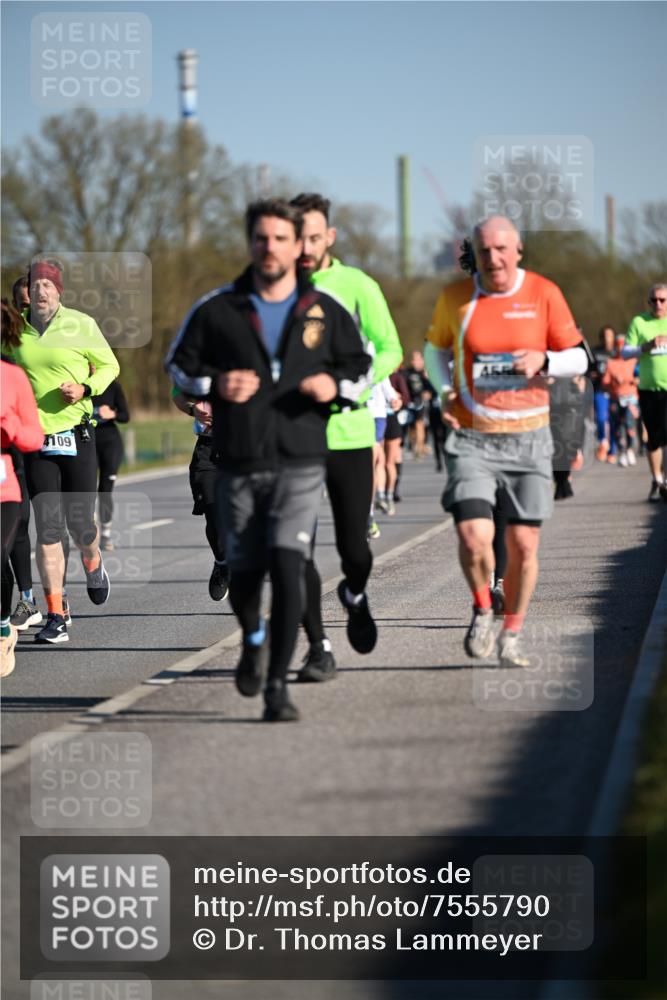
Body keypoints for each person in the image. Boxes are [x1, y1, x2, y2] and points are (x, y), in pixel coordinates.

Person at [165, 198, 371, 720]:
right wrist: (215, 384)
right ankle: (254, 639)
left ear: (297, 244)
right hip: (237, 460)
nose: (271, 247)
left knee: (288, 564)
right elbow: (179, 366)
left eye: (282, 238)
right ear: (250, 242)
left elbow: (363, 367)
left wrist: (336, 385)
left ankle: (277, 686)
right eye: (262, 238)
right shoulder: (218, 308)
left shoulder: (322, 308)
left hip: (300, 461)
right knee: (247, 572)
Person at [424, 217, 588, 666]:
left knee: (523, 547)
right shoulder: (455, 298)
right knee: (474, 535)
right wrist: (443, 389)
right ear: (474, 254)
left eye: (501, 249)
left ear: (517, 250)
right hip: (473, 435)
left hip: (529, 435)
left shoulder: (544, 293)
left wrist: (546, 358)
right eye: (483, 251)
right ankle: (482, 607)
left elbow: (579, 357)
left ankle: (511, 632)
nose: (492, 258)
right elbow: (434, 349)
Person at [289, 193, 403, 681]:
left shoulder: (355, 284)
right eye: (298, 238)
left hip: (350, 432)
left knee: (355, 550)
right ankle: (318, 647)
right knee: (294, 550)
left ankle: (355, 592)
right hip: (291, 436)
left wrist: (349, 384)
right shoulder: (274, 290)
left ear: (329, 237)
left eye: (315, 236)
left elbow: (391, 346)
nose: (306, 246)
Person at [6, 258, 119, 643]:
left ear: (59, 291)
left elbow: (109, 366)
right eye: (35, 286)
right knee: (48, 527)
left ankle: (93, 562)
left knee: (81, 524)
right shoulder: (13, 329)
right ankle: (56, 612)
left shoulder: (81, 324)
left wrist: (85, 388)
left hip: (77, 434)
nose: (40, 292)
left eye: (48, 286)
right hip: (35, 440)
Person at [1, 300, 44, 675]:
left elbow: (34, 434)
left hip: (3, 484)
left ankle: (2, 629)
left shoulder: (13, 377)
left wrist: (12, 429)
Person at [171, 388, 229, 601]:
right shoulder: (200, 359)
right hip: (208, 448)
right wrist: (192, 408)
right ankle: (222, 563)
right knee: (212, 512)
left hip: (246, 447)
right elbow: (177, 392)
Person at [622, 283, 667, 501]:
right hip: (649, 389)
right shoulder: (640, 322)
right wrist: (646, 347)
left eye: (662, 300)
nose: (658, 304)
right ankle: (657, 480)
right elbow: (625, 352)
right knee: (654, 438)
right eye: (654, 300)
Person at [92, 378, 130, 550]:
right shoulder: (78, 384)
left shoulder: (113, 385)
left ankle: (105, 534)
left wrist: (112, 414)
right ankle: (90, 531)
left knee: (105, 490)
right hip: (87, 442)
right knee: (87, 489)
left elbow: (125, 416)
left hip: (110, 443)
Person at [602, 333, 639, 468]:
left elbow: (640, 377)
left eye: (623, 345)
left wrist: (634, 380)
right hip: (616, 398)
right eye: (618, 346)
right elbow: (604, 383)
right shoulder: (610, 363)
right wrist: (612, 381)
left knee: (629, 425)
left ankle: (630, 449)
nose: (620, 349)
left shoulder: (634, 360)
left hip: (631, 398)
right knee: (617, 427)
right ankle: (622, 451)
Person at [591, 325, 616, 462]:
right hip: (600, 390)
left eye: (610, 336)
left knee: (613, 421)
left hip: (615, 392)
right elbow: (587, 370)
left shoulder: (618, 353)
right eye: (605, 336)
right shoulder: (595, 352)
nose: (607, 339)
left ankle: (612, 450)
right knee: (601, 418)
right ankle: (603, 442)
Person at [404, 350, 435, 458]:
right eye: (413, 359)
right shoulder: (407, 372)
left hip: (421, 403)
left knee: (419, 424)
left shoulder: (425, 373)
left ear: (422, 360)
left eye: (417, 359)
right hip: (410, 403)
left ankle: (420, 447)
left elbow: (432, 388)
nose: (414, 362)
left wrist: (428, 393)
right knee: (412, 427)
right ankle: (414, 445)